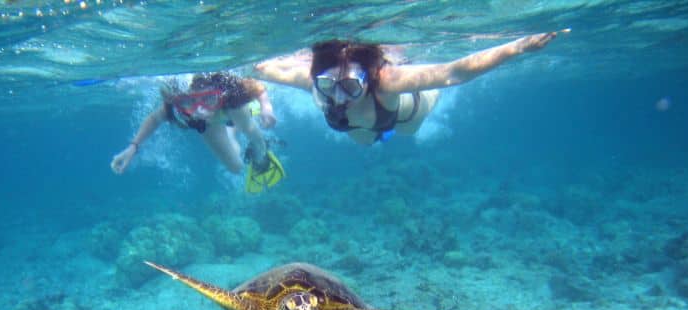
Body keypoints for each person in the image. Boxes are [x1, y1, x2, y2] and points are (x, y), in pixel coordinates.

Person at [254, 32, 566, 145]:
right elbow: (264, 68)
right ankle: (377, 136)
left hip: (402, 116)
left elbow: (452, 73)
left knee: (408, 131)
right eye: (327, 85)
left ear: (368, 78)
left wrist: (517, 48)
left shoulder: (387, 81)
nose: (338, 97)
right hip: (359, 126)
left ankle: (401, 122)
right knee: (363, 142)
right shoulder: (311, 81)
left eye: (350, 87)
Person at [111, 72, 285, 192]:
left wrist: (266, 108)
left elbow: (257, 87)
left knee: (253, 136)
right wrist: (133, 148)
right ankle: (231, 130)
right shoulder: (174, 107)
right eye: (188, 103)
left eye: (208, 99)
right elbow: (155, 119)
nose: (199, 110)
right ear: (178, 102)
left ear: (218, 94)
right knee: (236, 167)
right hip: (209, 125)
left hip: (227, 110)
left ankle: (238, 129)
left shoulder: (230, 94)